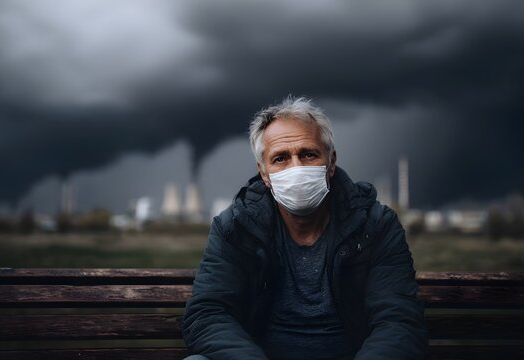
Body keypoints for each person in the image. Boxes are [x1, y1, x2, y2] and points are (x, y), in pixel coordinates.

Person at [182, 97, 428, 359]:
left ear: (331, 162)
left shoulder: (376, 226)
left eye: (308, 154)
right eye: (280, 158)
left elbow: (398, 321)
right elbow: (208, 313)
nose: (296, 168)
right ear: (264, 173)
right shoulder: (235, 228)